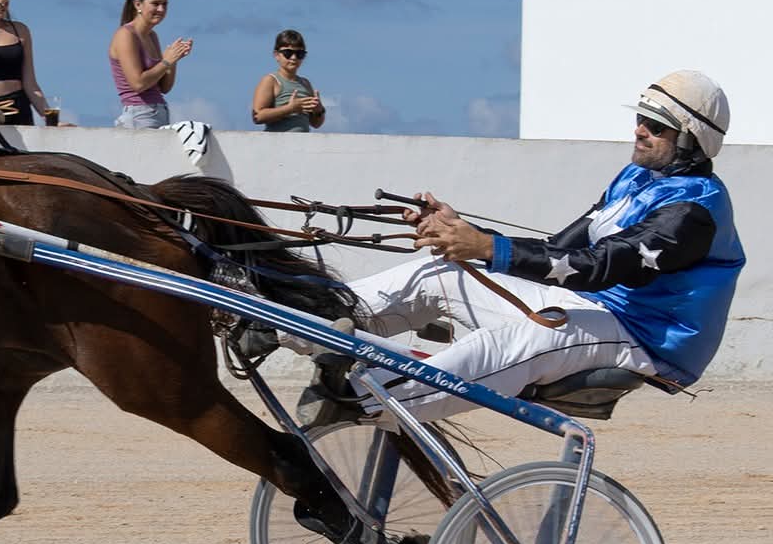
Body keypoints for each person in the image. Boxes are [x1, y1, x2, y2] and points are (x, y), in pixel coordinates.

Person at [302, 69, 743, 425]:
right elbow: (560, 249)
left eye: (655, 125)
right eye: (640, 118)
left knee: (516, 342)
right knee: (440, 275)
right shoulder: (637, 178)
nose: (639, 129)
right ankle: (303, 317)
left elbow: (598, 266)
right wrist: (462, 231)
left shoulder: (693, 210)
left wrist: (483, 247)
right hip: (590, 304)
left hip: (641, 336)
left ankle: (355, 399)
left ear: (690, 137)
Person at [108, 0, 191, 128]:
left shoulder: (152, 36)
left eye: (164, 4)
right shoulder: (126, 35)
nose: (161, 9)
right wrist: (166, 62)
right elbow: (138, 83)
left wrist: (173, 59)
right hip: (139, 115)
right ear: (138, 4)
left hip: (159, 113)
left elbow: (164, 87)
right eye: (155, 3)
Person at [251, 30, 325, 131]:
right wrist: (290, 109)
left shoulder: (305, 83)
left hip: (302, 144)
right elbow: (257, 116)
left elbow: (316, 124)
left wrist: (319, 110)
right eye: (288, 53)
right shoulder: (271, 80)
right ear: (276, 55)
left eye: (299, 54)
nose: (294, 58)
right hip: (278, 144)